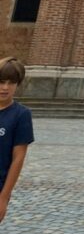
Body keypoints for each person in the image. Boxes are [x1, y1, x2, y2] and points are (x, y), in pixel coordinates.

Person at [0, 57, 34, 224]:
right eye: (1, 82)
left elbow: (18, 159)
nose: (5, 87)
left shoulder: (21, 115)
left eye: (11, 82)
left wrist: (3, 198)